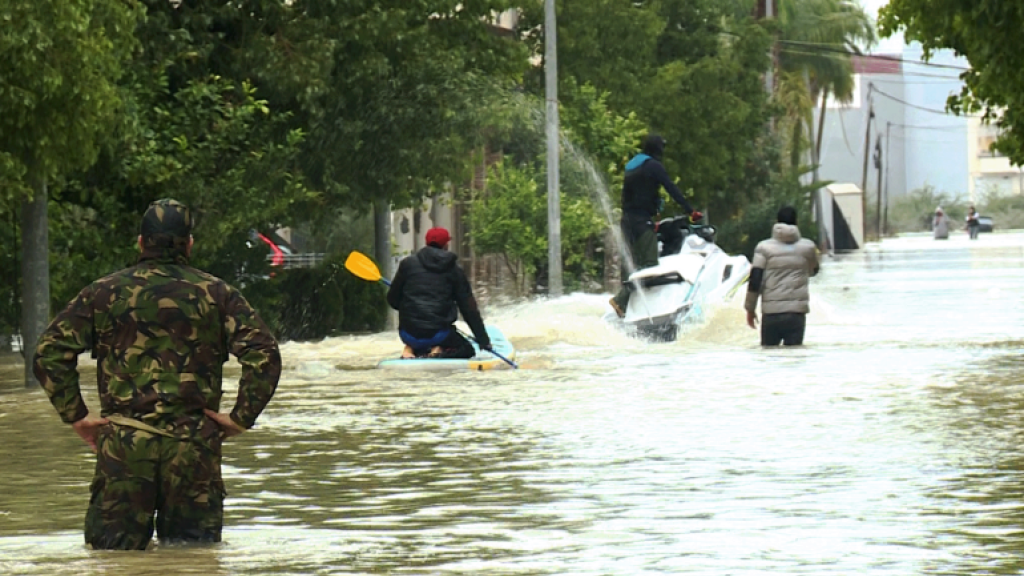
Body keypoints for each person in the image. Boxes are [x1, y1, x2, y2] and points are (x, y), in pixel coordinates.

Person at [33, 199, 282, 550]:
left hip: (124, 448)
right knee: (194, 561)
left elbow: (49, 353)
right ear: (190, 244)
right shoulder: (219, 295)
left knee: (112, 561)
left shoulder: (103, 294)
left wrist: (77, 416)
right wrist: (240, 418)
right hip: (194, 451)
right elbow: (265, 356)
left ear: (140, 242)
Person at [609, 134, 703, 317]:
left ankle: (626, 310)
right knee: (650, 264)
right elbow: (671, 188)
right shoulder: (653, 166)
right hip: (642, 221)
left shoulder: (632, 166)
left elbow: (629, 195)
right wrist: (690, 210)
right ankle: (621, 300)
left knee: (632, 264)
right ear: (657, 149)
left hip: (627, 221)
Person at [387, 227, 491, 359]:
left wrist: (409, 304)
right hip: (439, 334)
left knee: (424, 335)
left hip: (407, 333)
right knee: (467, 350)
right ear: (446, 245)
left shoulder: (407, 264)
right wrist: (483, 341)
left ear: (426, 242)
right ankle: (439, 351)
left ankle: (411, 349)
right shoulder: (454, 270)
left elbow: (392, 300)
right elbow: (469, 309)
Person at [744, 205, 820, 346]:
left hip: (771, 314)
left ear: (777, 222)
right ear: (796, 222)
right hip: (796, 314)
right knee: (794, 359)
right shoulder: (808, 247)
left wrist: (750, 308)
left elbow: (755, 280)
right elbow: (814, 270)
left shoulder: (763, 248)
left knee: (770, 360)